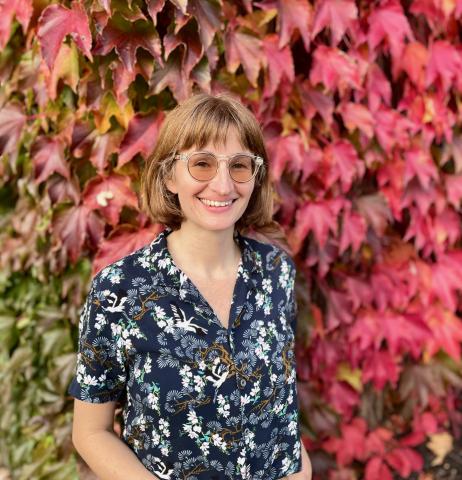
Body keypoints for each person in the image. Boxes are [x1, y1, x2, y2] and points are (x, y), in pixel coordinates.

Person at [68, 92, 312, 480]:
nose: (222, 184)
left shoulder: (275, 272)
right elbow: (91, 431)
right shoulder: (120, 291)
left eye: (239, 166)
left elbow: (279, 402)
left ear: (255, 177)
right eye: (201, 164)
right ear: (169, 174)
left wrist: (301, 469)